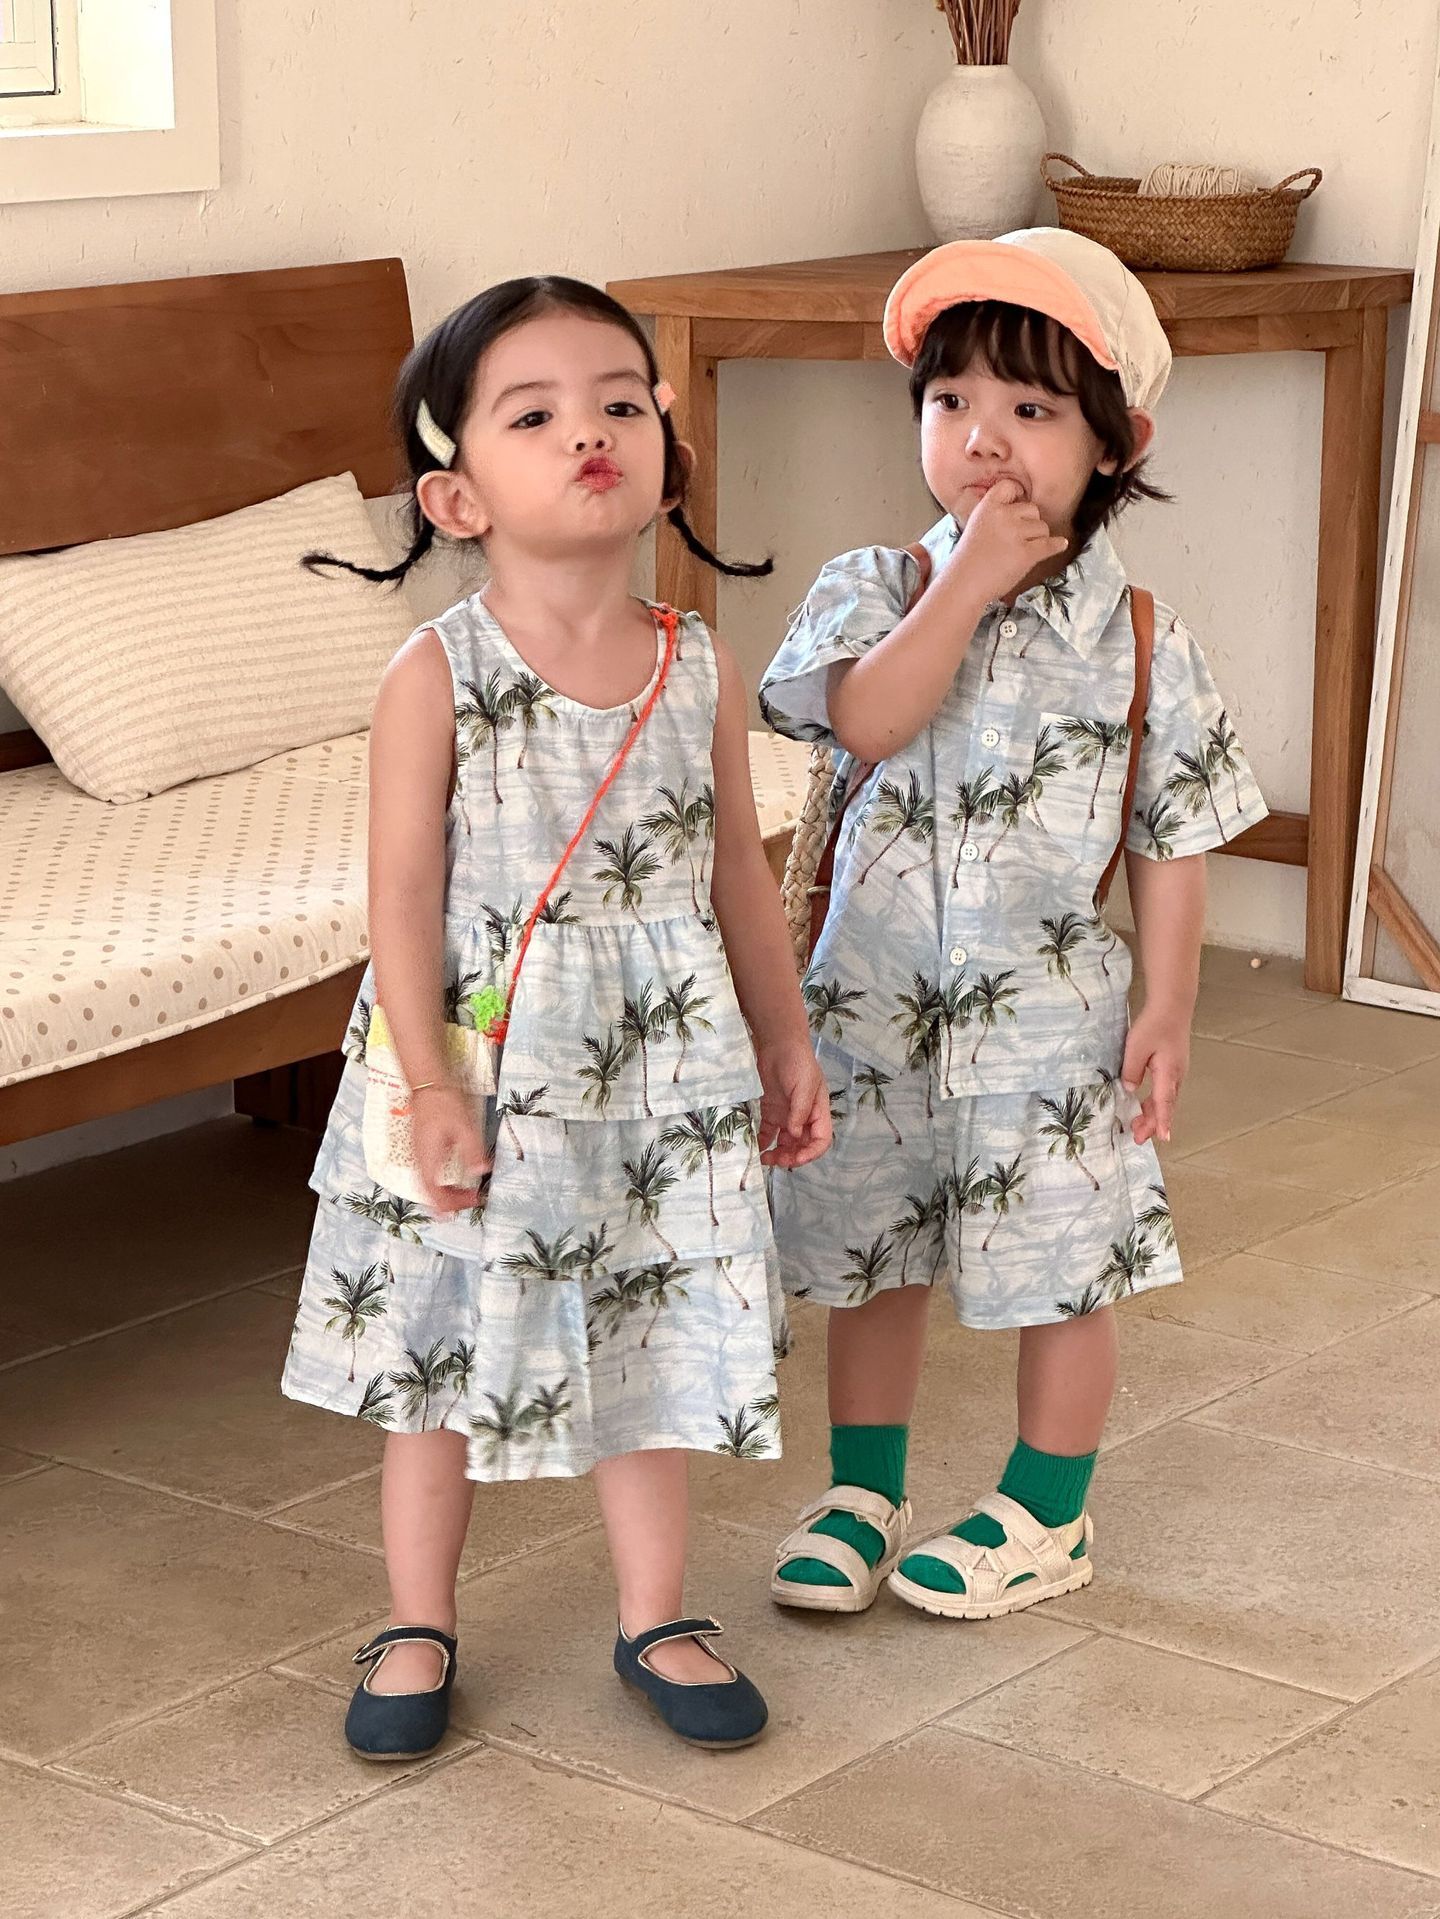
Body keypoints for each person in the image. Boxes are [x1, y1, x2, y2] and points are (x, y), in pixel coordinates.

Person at [282, 275, 829, 1756]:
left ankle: (656, 1613)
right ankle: (417, 1619)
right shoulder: (435, 674)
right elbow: (402, 902)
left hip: (665, 1063)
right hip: (483, 1060)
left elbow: (737, 869)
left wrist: (785, 1039)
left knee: (652, 1325)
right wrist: (430, 1086)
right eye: (534, 415)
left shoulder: (697, 661)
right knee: (440, 1347)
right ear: (455, 496)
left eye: (619, 402)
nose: (589, 432)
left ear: (668, 451)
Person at [759, 228, 1266, 1621]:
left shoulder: (1145, 639)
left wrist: (1169, 1005)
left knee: (1063, 1268)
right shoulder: (875, 588)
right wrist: (966, 582)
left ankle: (1049, 1511)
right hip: (870, 1012)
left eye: (1031, 408)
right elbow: (868, 719)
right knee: (873, 1258)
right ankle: (862, 1491)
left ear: (1115, 445)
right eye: (951, 401)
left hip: (1051, 1029)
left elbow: (1170, 838)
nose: (983, 437)